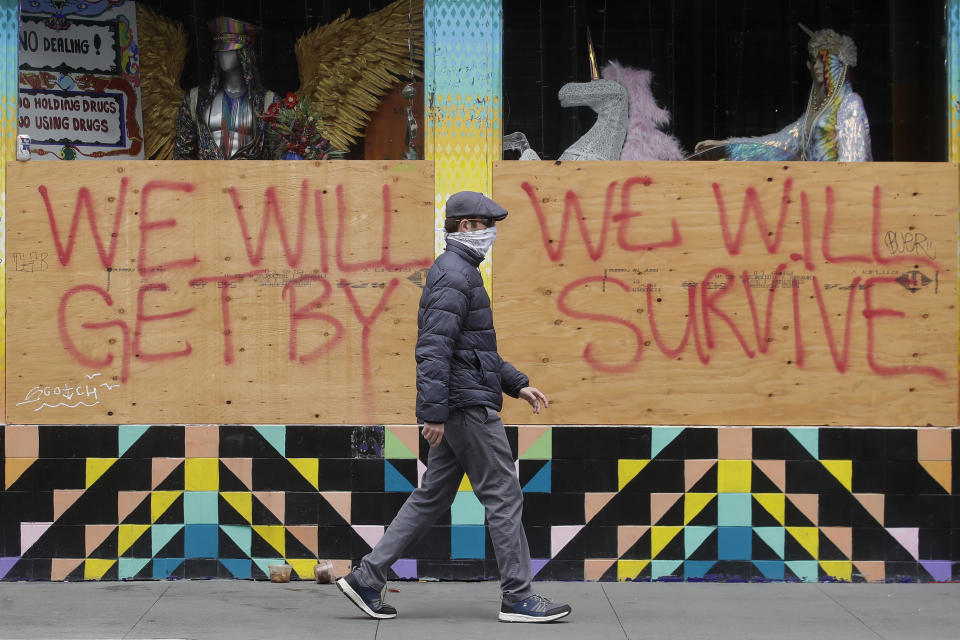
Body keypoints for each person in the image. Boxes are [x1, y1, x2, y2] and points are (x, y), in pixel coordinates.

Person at [336, 191, 572, 623]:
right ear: (466, 227)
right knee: (504, 495)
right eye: (487, 224)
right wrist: (432, 413)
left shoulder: (460, 272)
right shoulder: (454, 274)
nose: (492, 233)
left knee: (431, 497)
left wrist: (516, 384)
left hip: (461, 401)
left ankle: (367, 578)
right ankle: (518, 597)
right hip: (467, 408)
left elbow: (472, 347)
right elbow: (433, 349)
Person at [694, 26, 872, 161]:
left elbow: (854, 164)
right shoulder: (813, 116)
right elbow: (780, 143)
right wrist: (728, 148)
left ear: (839, 63)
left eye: (823, 60)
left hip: (841, 197)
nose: (817, 66)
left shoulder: (851, 105)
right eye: (813, 60)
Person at [173, 17, 277, 160]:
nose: (224, 55)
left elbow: (277, 155)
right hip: (208, 178)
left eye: (230, 50)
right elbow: (183, 155)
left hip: (250, 179)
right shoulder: (196, 100)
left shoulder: (268, 102)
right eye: (220, 50)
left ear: (245, 54)